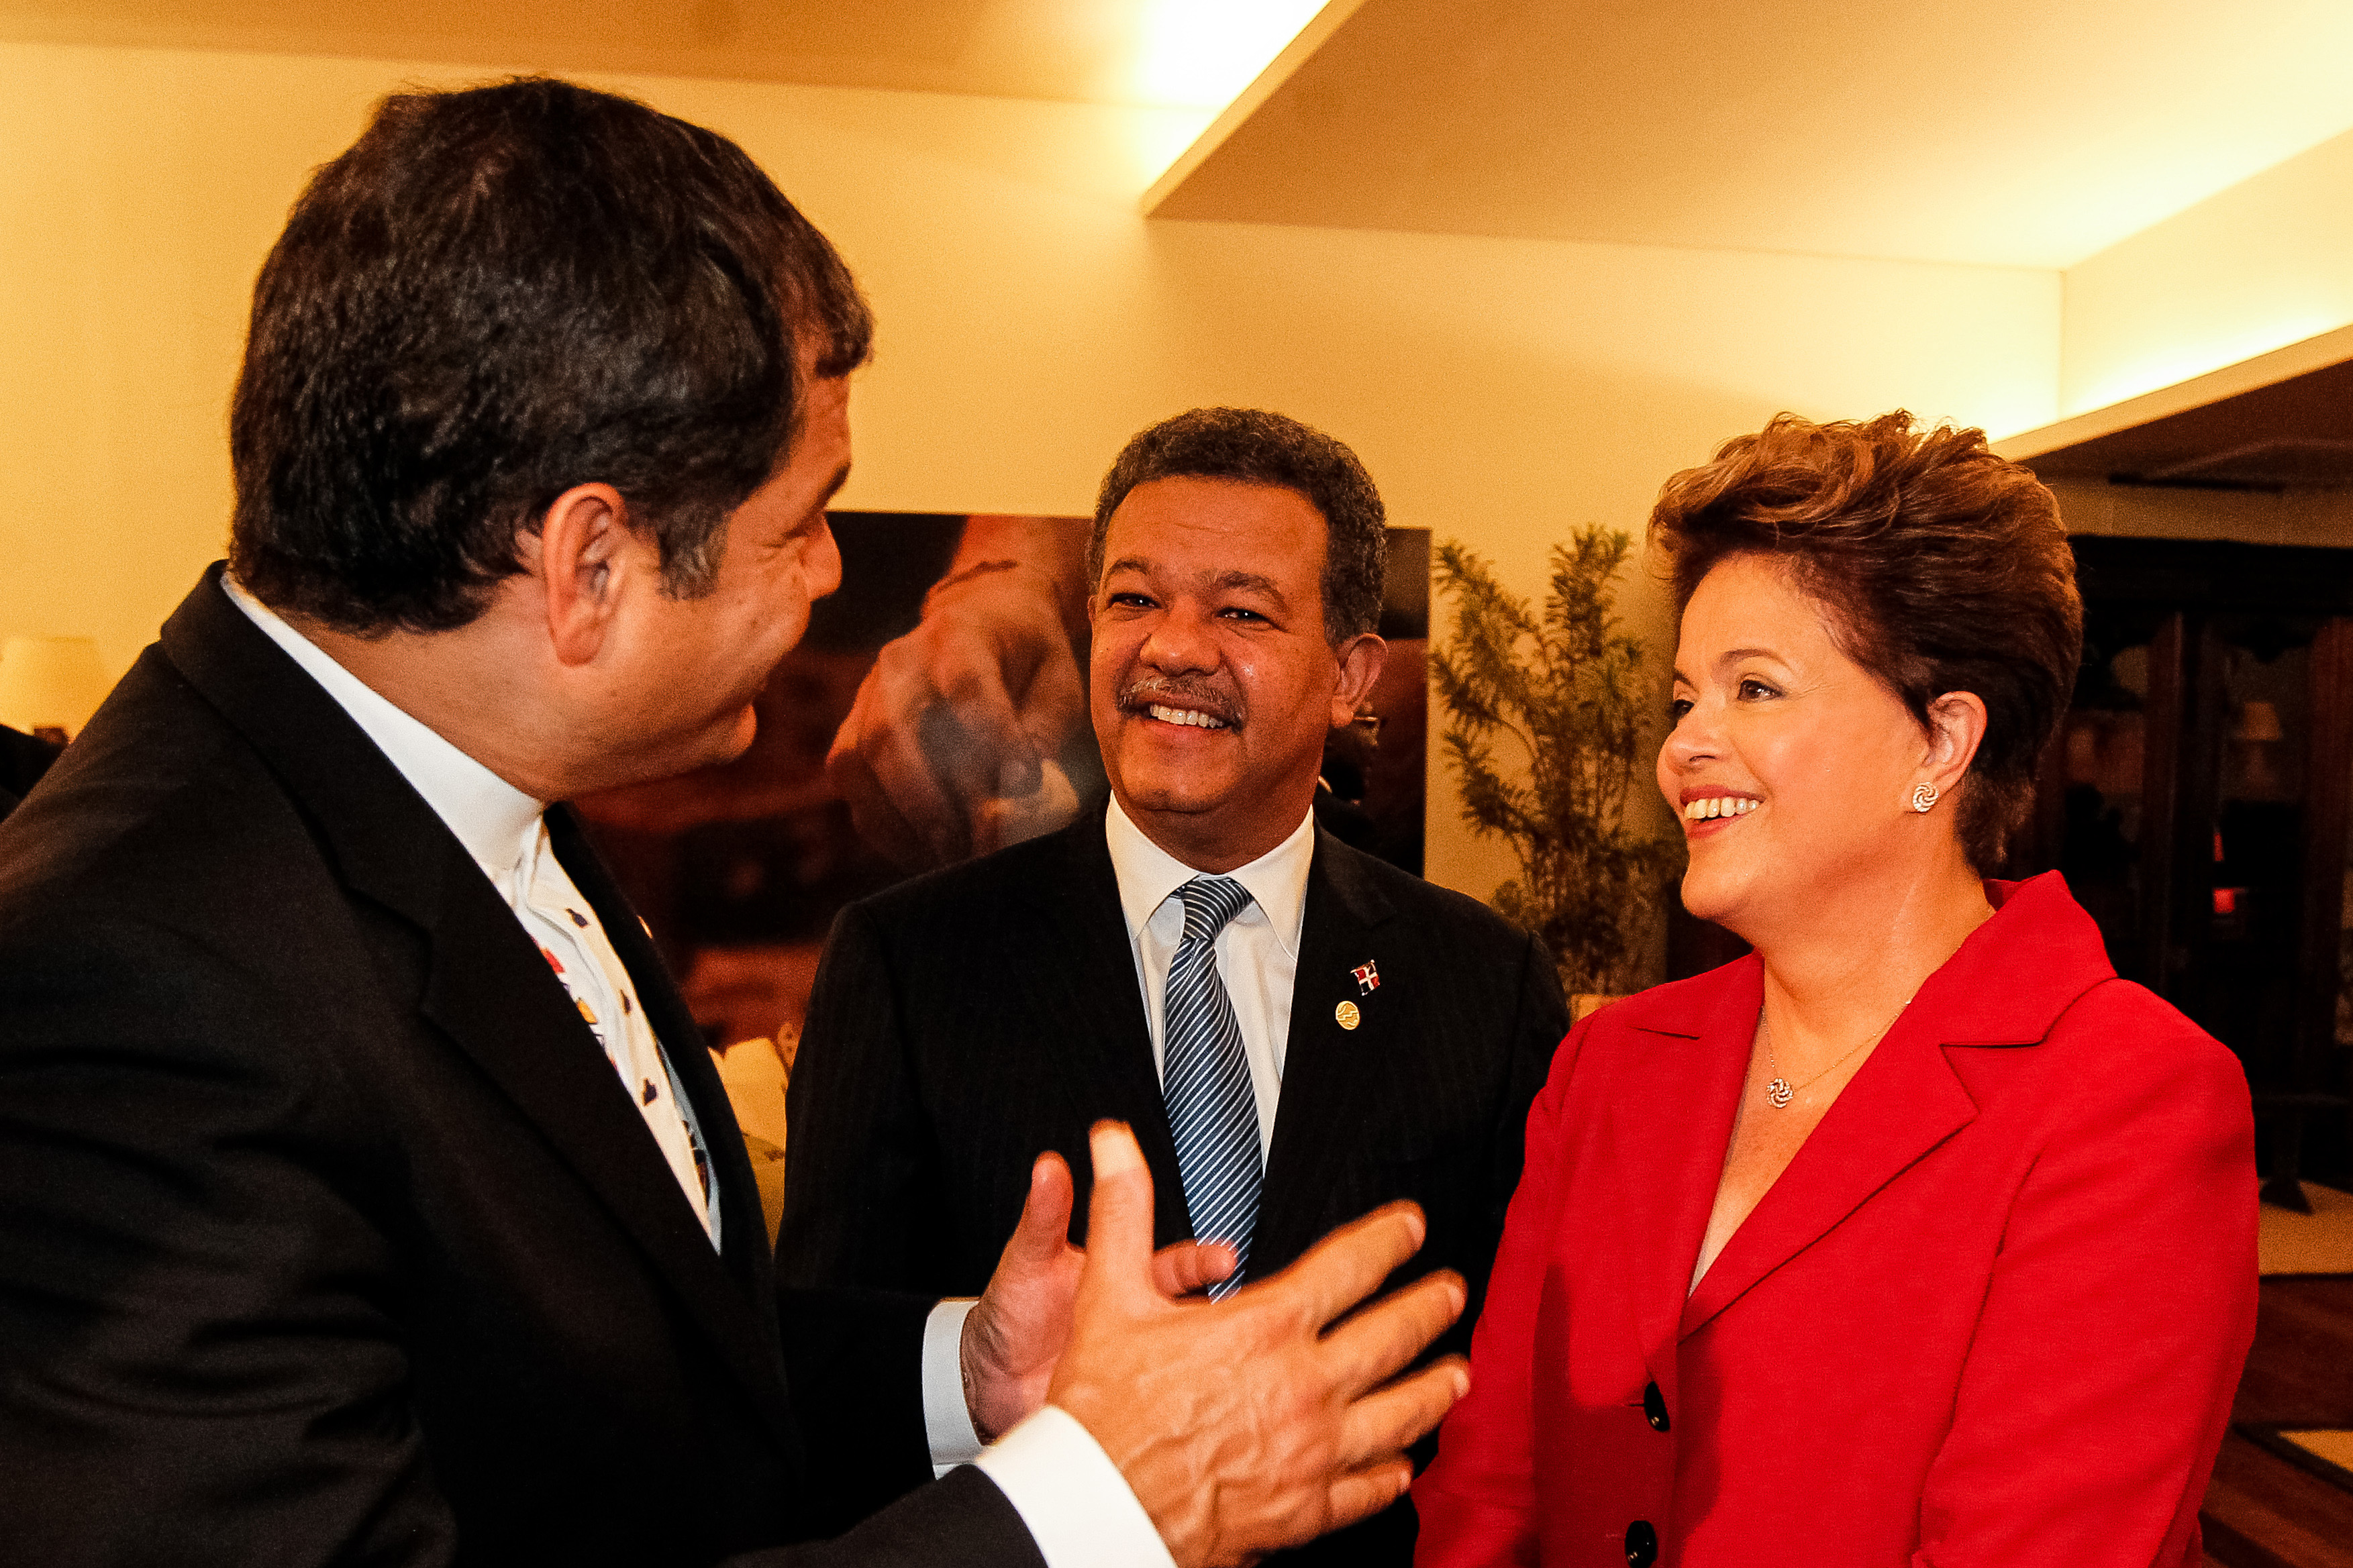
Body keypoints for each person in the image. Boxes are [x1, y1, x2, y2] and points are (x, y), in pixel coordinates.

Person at [0, 79, 1473, 1568]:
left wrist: (958, 1374)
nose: (832, 573)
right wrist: (1096, 1504)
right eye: (800, 519)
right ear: (588, 564)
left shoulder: (475, 802)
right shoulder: (125, 994)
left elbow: (624, 1370)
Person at [1412, 411, 2258, 1567]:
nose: (1685, 747)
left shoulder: (2130, 1100)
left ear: (1940, 741)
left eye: (1752, 688)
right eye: (1682, 698)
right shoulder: (1611, 1061)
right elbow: (1487, 1495)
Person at [782, 407, 1570, 1567]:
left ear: (1351, 675)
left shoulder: (1481, 980)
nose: (1173, 648)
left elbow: (1521, 1389)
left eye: (1240, 611)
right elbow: (819, 1373)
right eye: (1133, 600)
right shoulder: (911, 962)